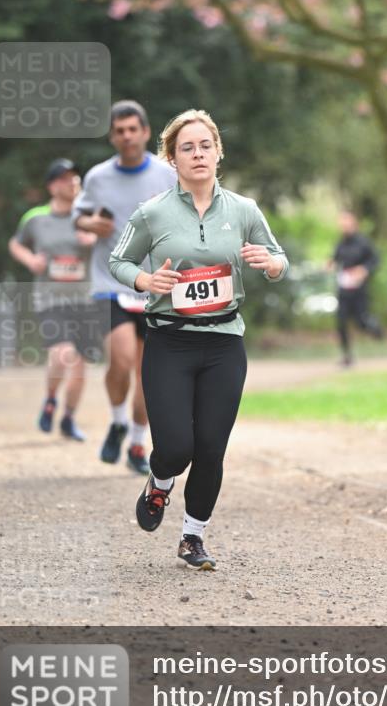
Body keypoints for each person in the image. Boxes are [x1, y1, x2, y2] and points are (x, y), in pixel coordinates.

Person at [109, 108, 288, 570]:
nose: (198, 154)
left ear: (217, 152)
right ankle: (159, 482)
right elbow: (118, 261)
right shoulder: (152, 213)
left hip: (224, 342)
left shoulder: (244, 210)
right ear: (172, 158)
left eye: (205, 145)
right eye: (187, 148)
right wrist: (145, 282)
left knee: (211, 447)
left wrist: (270, 264)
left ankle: (193, 537)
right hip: (169, 342)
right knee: (176, 447)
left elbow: (278, 257)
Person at [72, 100, 176, 473]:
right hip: (110, 280)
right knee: (122, 358)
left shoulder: (167, 174)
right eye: (120, 130)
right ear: (112, 136)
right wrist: (89, 225)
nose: (127, 135)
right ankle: (117, 421)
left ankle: (135, 441)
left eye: (134, 129)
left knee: (149, 373)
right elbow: (79, 218)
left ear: (146, 132)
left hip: (158, 284)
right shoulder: (98, 177)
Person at [8, 158, 96, 440]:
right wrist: (31, 260)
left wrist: (93, 241)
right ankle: (50, 399)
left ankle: (68, 418)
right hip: (50, 299)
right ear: (51, 185)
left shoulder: (90, 215)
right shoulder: (35, 218)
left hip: (85, 300)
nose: (71, 182)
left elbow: (114, 245)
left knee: (81, 365)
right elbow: (15, 243)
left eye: (75, 178)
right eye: (64, 178)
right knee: (62, 353)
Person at [329, 209, 383, 366]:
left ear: (354, 223)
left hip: (359, 290)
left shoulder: (363, 242)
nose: (344, 225)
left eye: (347, 221)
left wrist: (364, 270)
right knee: (341, 322)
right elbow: (336, 259)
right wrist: (330, 264)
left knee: (361, 321)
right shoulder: (340, 243)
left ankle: (377, 330)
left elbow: (375, 260)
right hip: (344, 289)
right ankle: (347, 356)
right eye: (341, 222)